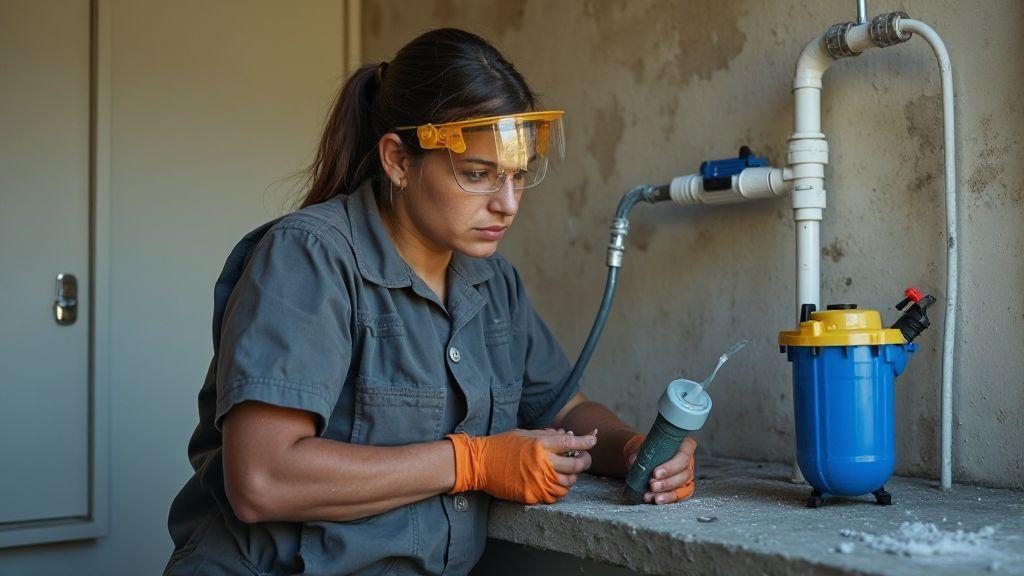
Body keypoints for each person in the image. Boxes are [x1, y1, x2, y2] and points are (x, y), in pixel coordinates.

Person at [163, 28, 697, 576]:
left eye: (516, 176)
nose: (507, 204)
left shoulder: (493, 282)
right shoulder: (310, 257)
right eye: (477, 174)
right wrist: (472, 462)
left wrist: (634, 449)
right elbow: (263, 479)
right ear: (397, 160)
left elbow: (562, 407)